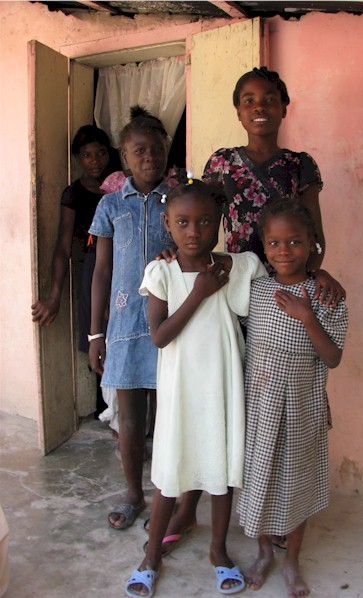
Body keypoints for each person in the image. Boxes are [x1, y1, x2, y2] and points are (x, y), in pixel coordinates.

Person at [153, 66, 346, 553]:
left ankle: (275, 506)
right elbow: (196, 215)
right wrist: (174, 253)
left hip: (278, 295)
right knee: (210, 396)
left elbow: (315, 235)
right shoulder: (222, 162)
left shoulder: (300, 165)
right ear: (238, 110)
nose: (259, 106)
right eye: (248, 99)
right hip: (228, 284)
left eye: (269, 98)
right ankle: (188, 499)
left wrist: (316, 272)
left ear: (284, 106)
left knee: (267, 408)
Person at [126, 179, 267, 597]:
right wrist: (200, 293)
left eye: (205, 222)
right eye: (183, 222)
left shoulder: (233, 267)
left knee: (221, 472)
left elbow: (262, 277)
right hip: (181, 395)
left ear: (219, 222)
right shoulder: (163, 272)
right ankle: (151, 556)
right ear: (168, 225)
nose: (194, 232)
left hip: (222, 390)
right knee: (172, 473)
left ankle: (219, 552)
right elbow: (159, 336)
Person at [239, 197, 348, 597]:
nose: (284, 251)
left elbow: (333, 357)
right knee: (258, 481)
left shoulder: (325, 296)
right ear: (263, 246)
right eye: (274, 243)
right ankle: (264, 551)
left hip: (302, 407)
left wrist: (307, 316)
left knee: (296, 482)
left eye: (295, 242)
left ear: (312, 245)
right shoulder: (256, 289)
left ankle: (291, 560)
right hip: (259, 407)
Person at [88, 108, 172, 530]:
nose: (149, 157)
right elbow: (101, 271)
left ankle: (168, 494)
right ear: (124, 156)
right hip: (123, 326)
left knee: (170, 413)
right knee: (131, 417)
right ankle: (134, 494)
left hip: (170, 324)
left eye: (157, 149)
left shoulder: (177, 200)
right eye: (140, 150)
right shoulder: (109, 205)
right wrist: (95, 334)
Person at [31, 125, 115, 416]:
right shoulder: (74, 194)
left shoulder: (120, 186)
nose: (96, 160)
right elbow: (62, 247)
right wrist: (54, 295)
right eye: (87, 155)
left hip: (125, 270)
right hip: (94, 272)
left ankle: (129, 416)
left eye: (101, 152)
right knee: (98, 340)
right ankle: (107, 412)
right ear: (78, 158)